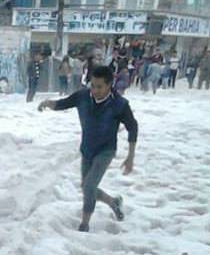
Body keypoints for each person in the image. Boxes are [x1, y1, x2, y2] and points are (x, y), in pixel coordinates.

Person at [38, 65, 138, 233]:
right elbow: (64, 103)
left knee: (89, 186)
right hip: (87, 149)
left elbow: (133, 127)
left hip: (106, 150)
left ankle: (84, 225)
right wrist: (49, 103)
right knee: (87, 187)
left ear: (109, 85)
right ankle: (113, 202)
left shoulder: (119, 104)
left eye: (99, 86)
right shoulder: (83, 96)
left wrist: (130, 156)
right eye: (92, 85)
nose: (95, 90)